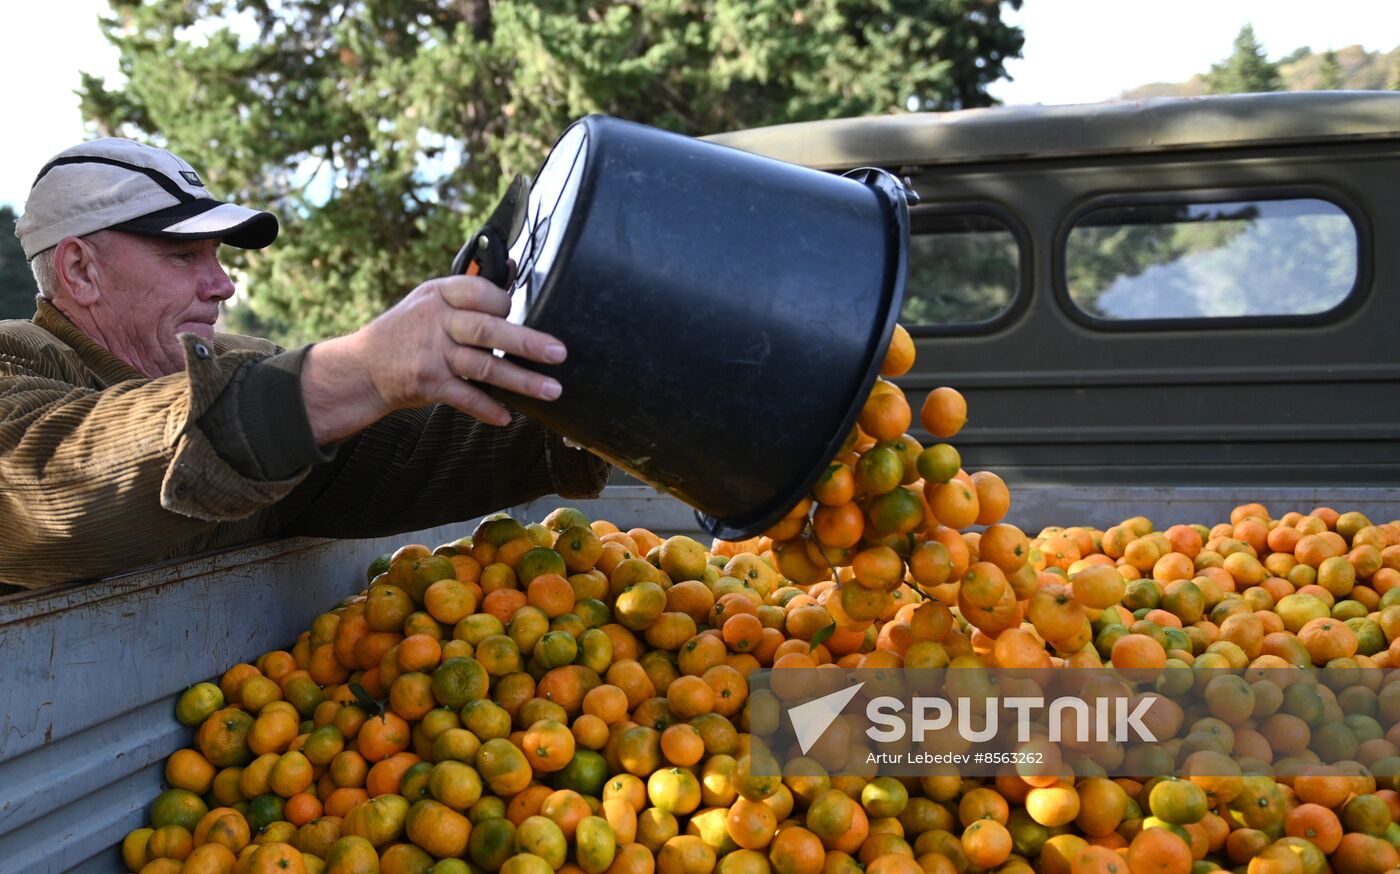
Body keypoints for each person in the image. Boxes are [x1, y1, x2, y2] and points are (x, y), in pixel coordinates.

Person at [0, 138, 609, 588]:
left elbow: (419, 449)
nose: (223, 285)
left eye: (217, 256)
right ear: (80, 270)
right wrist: (362, 368)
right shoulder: (14, 358)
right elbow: (47, 483)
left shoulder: (236, 365)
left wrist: (612, 396)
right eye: (184, 256)